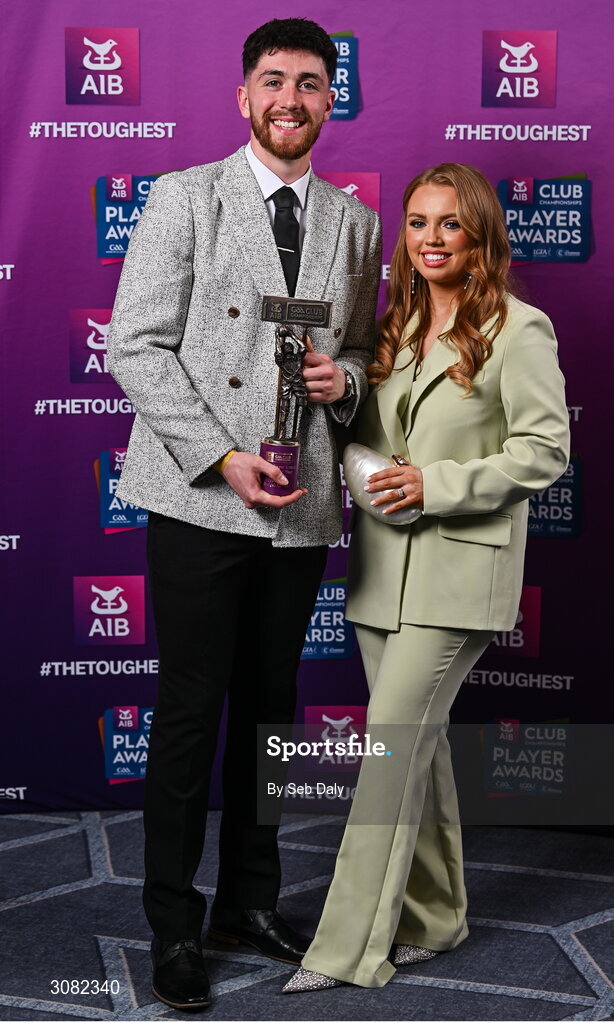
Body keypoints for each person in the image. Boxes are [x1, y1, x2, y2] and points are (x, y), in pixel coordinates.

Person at [107, 17, 381, 1011]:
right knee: (189, 714)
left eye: (309, 82)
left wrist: (343, 378)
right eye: (273, 80)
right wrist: (222, 457)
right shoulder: (186, 196)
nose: (290, 99)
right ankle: (174, 925)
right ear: (244, 96)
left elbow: (363, 350)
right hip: (202, 496)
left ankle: (248, 903)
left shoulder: (355, 223)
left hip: (299, 501)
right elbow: (135, 345)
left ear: (330, 99)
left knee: (272, 711)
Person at [283, 162, 570, 993]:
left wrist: (434, 485)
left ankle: (345, 948)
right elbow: (368, 435)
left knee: (389, 746)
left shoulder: (521, 328)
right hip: (382, 570)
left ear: (481, 235)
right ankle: (437, 915)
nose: (431, 239)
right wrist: (346, 430)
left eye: (451, 223)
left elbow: (544, 450)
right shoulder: (395, 325)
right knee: (423, 746)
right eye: (417, 222)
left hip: (457, 574)